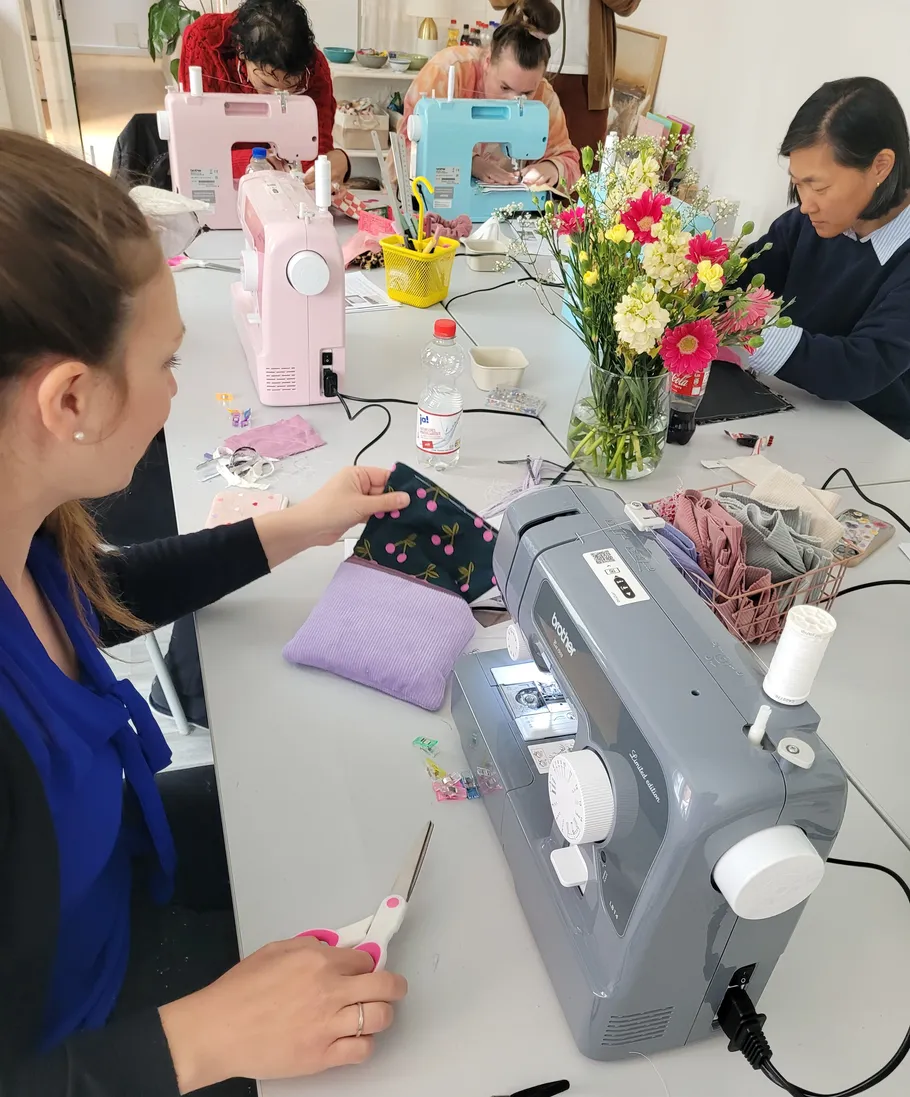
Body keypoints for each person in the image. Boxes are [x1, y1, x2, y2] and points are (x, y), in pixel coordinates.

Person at [0, 130, 411, 1096]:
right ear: (71, 399)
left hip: (113, 877)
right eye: (168, 363)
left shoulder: (27, 536)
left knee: (342, 795)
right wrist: (200, 1042)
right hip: (87, 1041)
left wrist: (298, 526)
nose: (177, 393)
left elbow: (105, 593)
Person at [740, 77, 910, 438]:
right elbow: (741, 280)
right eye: (798, 183)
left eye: (819, 187)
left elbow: (860, 366)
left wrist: (747, 332)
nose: (806, 203)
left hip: (874, 444)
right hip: (792, 411)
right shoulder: (809, 222)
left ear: (881, 166)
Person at [400, 0, 580, 191]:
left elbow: (570, 162)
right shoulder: (447, 71)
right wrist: (471, 163)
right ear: (487, 62)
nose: (515, 100)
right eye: (504, 87)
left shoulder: (545, 97)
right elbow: (408, 144)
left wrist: (552, 168)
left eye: (527, 93)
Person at [179, 0, 349, 187]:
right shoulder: (205, 42)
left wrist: (335, 166)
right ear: (241, 51)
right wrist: (250, 162)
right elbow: (198, 149)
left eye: (293, 87)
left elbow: (315, 152)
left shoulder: (313, 68)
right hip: (216, 184)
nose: (278, 97)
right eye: (267, 85)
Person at [492, 0, 641, 156]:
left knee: (584, 168)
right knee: (508, 160)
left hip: (587, 80)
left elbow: (627, 5)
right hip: (521, 68)